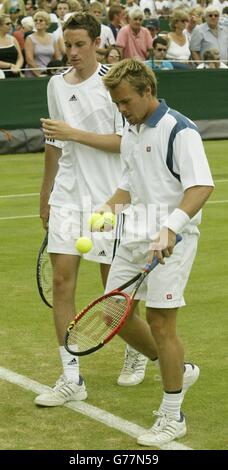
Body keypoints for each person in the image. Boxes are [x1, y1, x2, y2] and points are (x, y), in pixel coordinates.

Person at [34, 13, 146, 408]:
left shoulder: (113, 84)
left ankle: (134, 348)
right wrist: (46, 191)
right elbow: (53, 143)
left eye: (81, 44)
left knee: (112, 291)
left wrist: (74, 134)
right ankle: (70, 376)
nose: (74, 52)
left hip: (108, 199)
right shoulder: (54, 85)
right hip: (67, 194)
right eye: (69, 45)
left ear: (98, 42)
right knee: (62, 283)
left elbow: (125, 143)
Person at [100, 58, 214, 446]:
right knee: (112, 313)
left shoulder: (180, 130)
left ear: (147, 91)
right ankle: (179, 370)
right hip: (135, 234)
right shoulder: (130, 129)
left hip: (173, 238)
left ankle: (171, 414)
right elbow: (130, 185)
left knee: (161, 322)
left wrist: (169, 229)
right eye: (116, 104)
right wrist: (105, 210)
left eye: (125, 102)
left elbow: (200, 187)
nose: (121, 110)